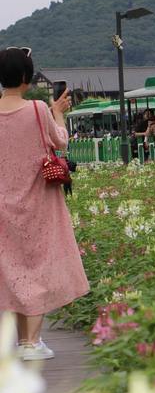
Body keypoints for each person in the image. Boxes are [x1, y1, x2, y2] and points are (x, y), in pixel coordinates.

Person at [0, 47, 90, 360]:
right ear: (26, 77)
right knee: (35, 267)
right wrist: (58, 112)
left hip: (2, 202)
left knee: (12, 271)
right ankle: (31, 342)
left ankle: (24, 340)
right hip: (36, 200)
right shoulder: (38, 109)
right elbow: (60, 141)